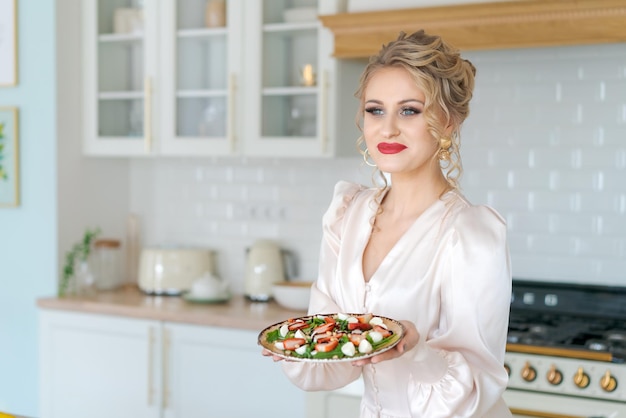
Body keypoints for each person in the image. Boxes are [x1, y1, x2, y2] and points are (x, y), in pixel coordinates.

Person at [262, 29, 512, 418]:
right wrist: (298, 343)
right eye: (375, 109)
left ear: (448, 122)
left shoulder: (471, 235)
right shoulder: (347, 215)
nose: (388, 128)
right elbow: (331, 360)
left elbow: (476, 390)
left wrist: (417, 351)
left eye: (409, 110)